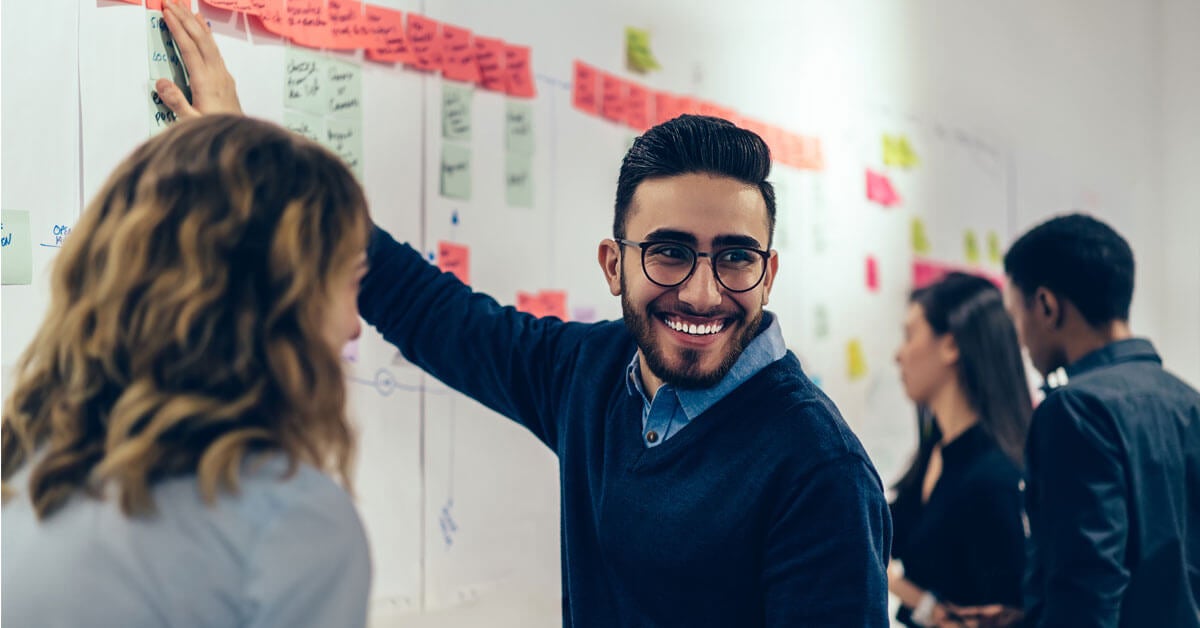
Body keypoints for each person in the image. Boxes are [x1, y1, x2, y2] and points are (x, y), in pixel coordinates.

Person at [154, 2, 892, 625]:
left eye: (735, 257)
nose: (702, 293)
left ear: (768, 273)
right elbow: (426, 306)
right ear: (613, 264)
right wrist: (250, 158)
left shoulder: (819, 470)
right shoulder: (593, 375)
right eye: (670, 252)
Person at [1, 115, 373, 628]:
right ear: (274, 306)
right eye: (351, 281)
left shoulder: (24, 472)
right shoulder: (292, 525)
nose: (355, 326)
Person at [1002, 213, 1200, 628]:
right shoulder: (1189, 402)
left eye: (1016, 317)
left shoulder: (1075, 409)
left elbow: (1086, 591)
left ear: (1046, 306)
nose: (1020, 339)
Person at [888, 272, 1031, 627]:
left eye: (909, 336)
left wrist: (906, 592)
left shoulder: (995, 476)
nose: (898, 355)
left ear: (951, 346)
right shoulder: (934, 454)